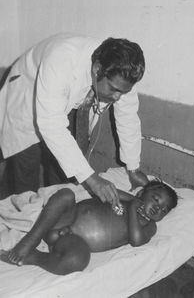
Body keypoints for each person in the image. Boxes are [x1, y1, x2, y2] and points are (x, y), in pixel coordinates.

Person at [0, 34, 148, 205]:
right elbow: (52, 125)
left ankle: (53, 211)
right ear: (97, 69)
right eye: (114, 89)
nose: (117, 97)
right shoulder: (61, 61)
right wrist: (91, 178)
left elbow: (128, 118)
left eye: (123, 92)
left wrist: (133, 167)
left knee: (63, 171)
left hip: (67, 101)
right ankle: (17, 219)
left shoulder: (124, 73)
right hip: (27, 99)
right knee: (25, 173)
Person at [0, 180, 178, 275]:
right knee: (65, 195)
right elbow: (108, 192)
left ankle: (35, 257)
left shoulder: (149, 226)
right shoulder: (129, 199)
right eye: (155, 199)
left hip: (73, 241)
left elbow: (137, 240)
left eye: (164, 209)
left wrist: (132, 210)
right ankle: (31, 240)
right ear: (141, 194)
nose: (158, 207)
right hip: (64, 218)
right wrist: (132, 200)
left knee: (78, 261)